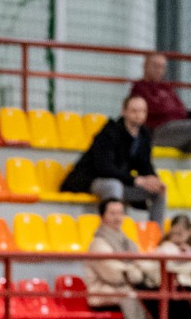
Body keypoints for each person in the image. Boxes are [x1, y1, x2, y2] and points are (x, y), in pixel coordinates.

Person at [61, 94, 167, 226]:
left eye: (142, 111)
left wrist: (153, 179)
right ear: (124, 112)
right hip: (92, 180)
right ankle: (114, 230)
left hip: (121, 182)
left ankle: (156, 233)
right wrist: (135, 180)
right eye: (134, 111)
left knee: (159, 190)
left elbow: (144, 164)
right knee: (113, 185)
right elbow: (104, 168)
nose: (138, 115)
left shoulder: (144, 135)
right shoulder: (109, 132)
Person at [128, 52, 191, 173]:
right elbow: (157, 110)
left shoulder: (166, 87)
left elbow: (181, 109)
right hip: (158, 133)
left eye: (162, 67)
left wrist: (168, 107)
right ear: (145, 66)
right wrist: (169, 108)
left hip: (178, 131)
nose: (159, 70)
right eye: (156, 66)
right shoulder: (139, 88)